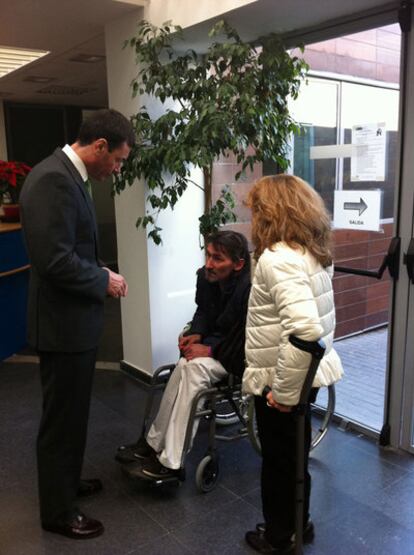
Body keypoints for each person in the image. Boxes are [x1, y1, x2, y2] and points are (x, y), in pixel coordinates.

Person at [20, 109, 135, 540]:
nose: (118, 168)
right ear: (100, 146)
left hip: (72, 324)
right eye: (118, 160)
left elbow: (75, 246)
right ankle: (58, 511)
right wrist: (103, 278)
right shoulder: (54, 179)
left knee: (72, 416)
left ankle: (65, 485)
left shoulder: (67, 175)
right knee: (61, 422)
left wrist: (99, 268)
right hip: (62, 327)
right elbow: (53, 261)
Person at [242, 175, 343, 554]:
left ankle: (279, 536)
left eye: (254, 208)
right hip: (308, 373)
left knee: (279, 459)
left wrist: (283, 393)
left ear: (270, 211)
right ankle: (299, 522)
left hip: (284, 376)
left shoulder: (277, 258)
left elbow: (303, 331)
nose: (250, 215)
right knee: (296, 451)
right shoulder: (309, 251)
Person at [117, 230, 251, 481]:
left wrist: (210, 350)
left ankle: (172, 463)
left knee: (193, 369)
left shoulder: (249, 290)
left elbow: (244, 339)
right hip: (216, 346)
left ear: (238, 264)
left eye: (218, 259)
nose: (209, 264)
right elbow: (203, 310)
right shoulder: (206, 277)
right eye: (208, 256)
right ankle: (154, 444)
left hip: (236, 354)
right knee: (184, 364)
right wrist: (197, 333)